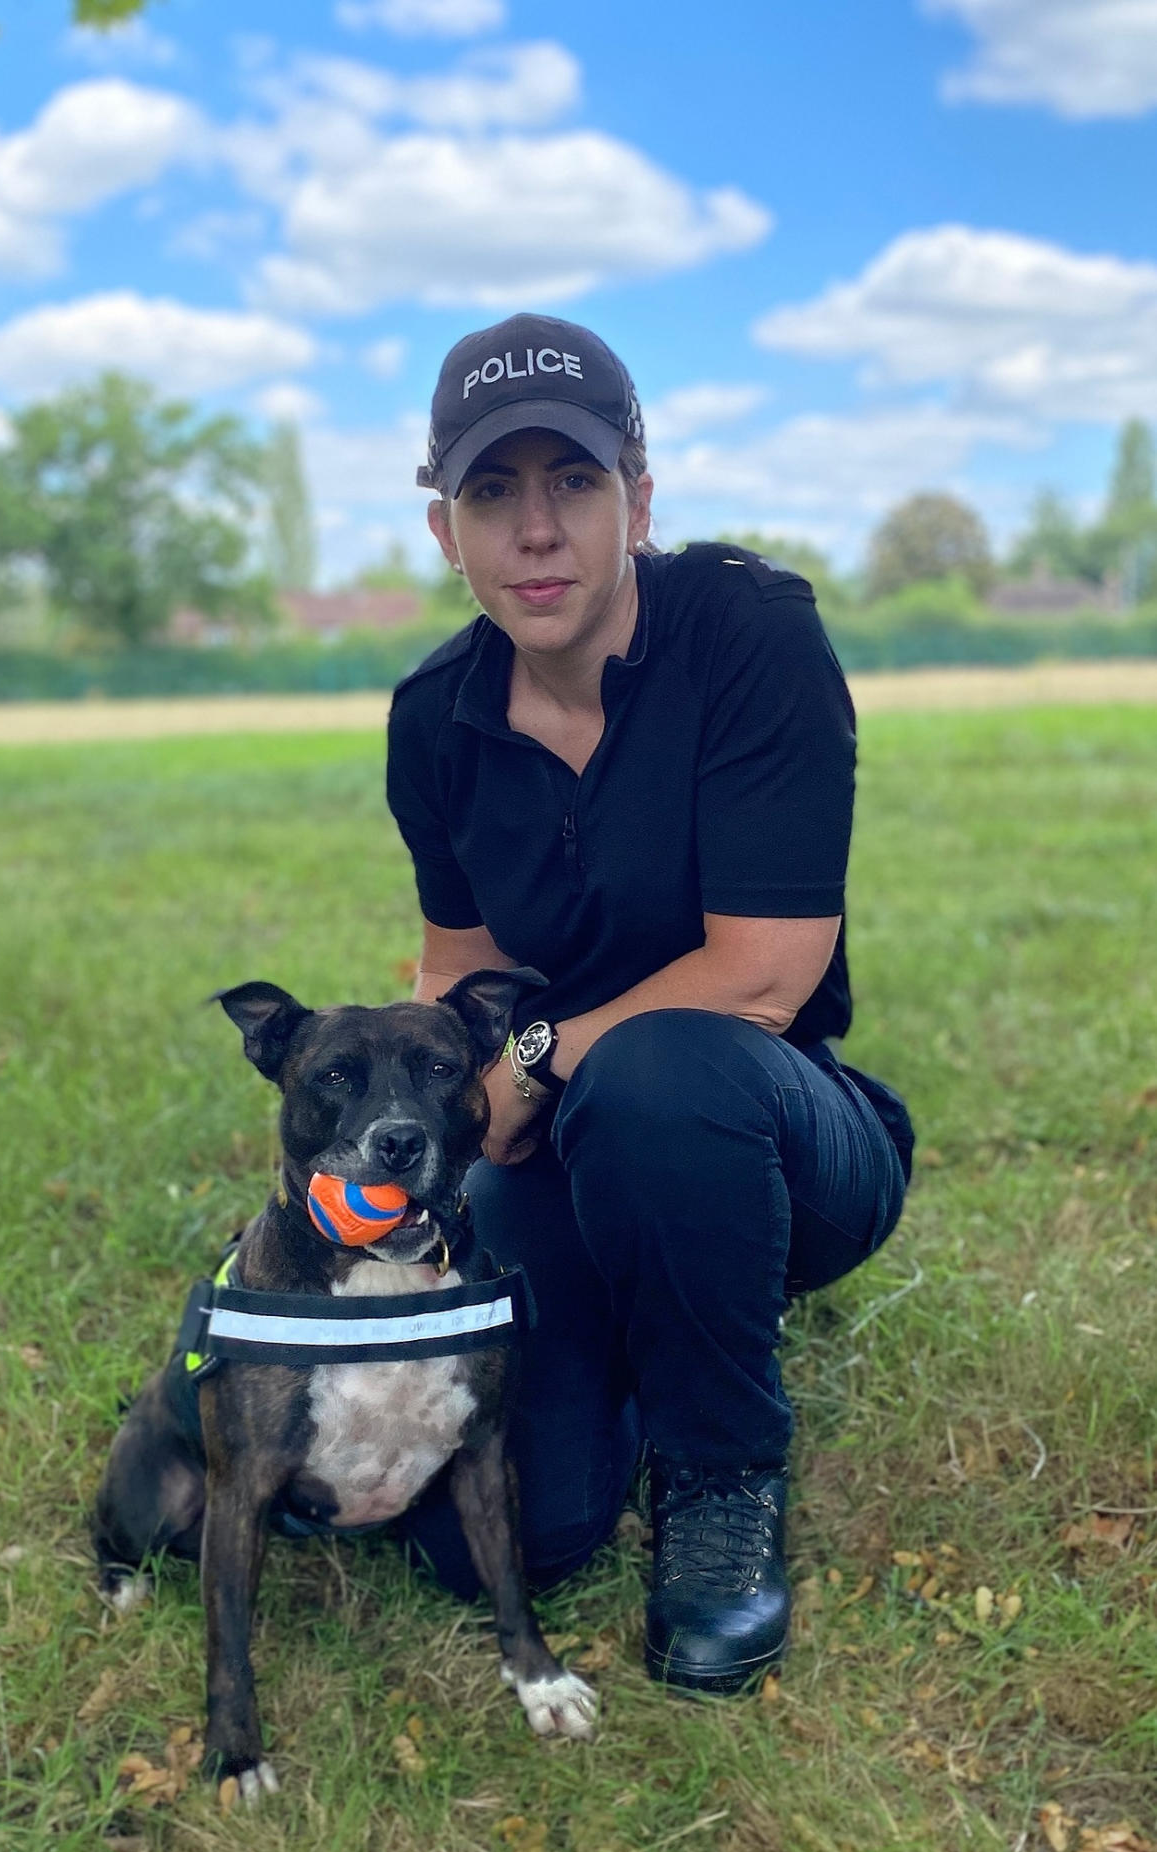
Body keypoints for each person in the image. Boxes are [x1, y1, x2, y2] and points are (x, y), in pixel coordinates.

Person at [385, 312, 913, 1695]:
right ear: (447, 533)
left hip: (775, 1136)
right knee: (492, 1533)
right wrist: (437, 1128)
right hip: (567, 1149)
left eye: (575, 482)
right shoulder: (433, 717)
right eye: (495, 492)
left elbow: (762, 970)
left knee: (660, 1071)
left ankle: (721, 1470)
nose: (537, 529)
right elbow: (457, 966)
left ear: (641, 499)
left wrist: (541, 1054)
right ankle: (630, 1318)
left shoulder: (747, 633)